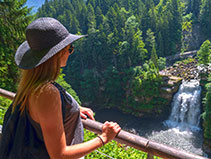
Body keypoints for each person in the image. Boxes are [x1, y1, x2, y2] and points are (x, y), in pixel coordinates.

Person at [0, 17, 121, 159]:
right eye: (70, 48)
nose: (71, 52)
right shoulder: (47, 93)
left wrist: (72, 108)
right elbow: (59, 154)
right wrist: (104, 138)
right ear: (58, 53)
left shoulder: (31, 85)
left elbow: (39, 114)